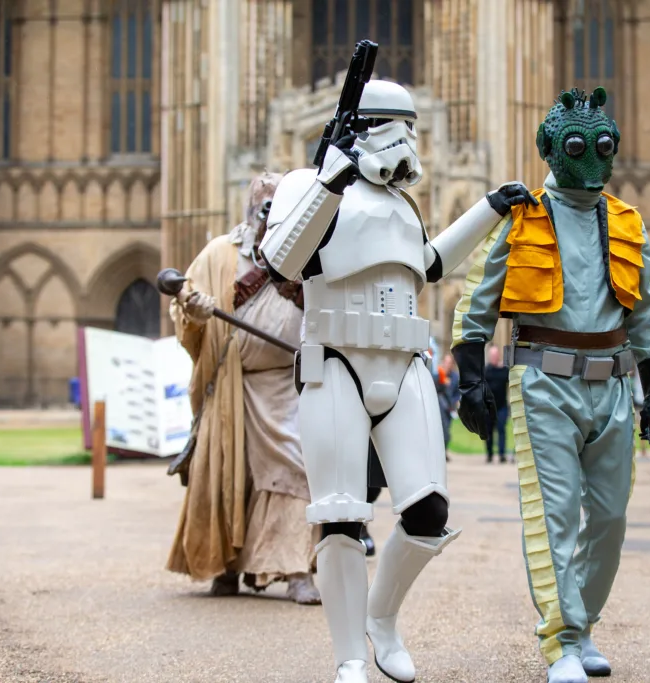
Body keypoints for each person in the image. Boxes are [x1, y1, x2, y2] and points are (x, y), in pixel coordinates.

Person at [259, 73, 538, 683]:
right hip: (335, 363)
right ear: (362, 129)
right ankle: (349, 657)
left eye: (412, 129)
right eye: (396, 128)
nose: (407, 142)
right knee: (339, 515)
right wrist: (329, 178)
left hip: (405, 364)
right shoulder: (309, 186)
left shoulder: (401, 203)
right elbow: (281, 257)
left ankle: (382, 620)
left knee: (429, 510)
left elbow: (430, 265)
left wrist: (488, 209)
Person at [452, 87, 650, 683]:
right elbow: (477, 300)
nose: (593, 157)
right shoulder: (525, 217)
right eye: (578, 145)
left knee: (609, 516)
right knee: (551, 514)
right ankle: (560, 644)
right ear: (551, 148)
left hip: (615, 382)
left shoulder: (627, 220)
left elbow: (645, 311)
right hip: (544, 381)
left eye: (603, 144)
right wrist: (471, 379)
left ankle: (582, 625)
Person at [166, 172, 321, 605]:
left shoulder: (305, 254)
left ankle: (295, 570)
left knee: (295, 471)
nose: (267, 209)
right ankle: (224, 568)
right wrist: (194, 310)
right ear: (249, 208)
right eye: (261, 202)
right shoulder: (221, 254)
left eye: (276, 201)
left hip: (287, 386)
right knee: (227, 475)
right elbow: (186, 310)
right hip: (231, 384)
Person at [484, 345, 510, 463]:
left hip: (502, 406)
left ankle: (502, 454)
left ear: (498, 356)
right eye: (492, 355)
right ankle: (489, 454)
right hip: (489, 406)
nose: (494, 357)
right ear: (489, 356)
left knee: (501, 429)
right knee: (489, 431)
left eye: (496, 355)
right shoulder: (485, 370)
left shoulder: (504, 370)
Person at [435, 353, 461, 459]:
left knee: (447, 430)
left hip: (450, 408)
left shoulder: (455, 377)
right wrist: (442, 381)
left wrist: (455, 402)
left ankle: (443, 452)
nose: (447, 365)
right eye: (446, 362)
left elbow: (457, 392)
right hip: (440, 406)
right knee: (442, 430)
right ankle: (439, 454)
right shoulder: (438, 375)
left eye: (449, 363)